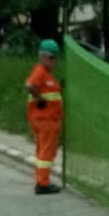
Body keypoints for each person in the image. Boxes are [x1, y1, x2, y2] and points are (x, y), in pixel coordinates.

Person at [25, 40, 64, 195]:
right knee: (47, 153)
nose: (54, 62)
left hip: (44, 120)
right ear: (43, 57)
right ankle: (43, 183)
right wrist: (40, 99)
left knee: (43, 152)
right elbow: (29, 85)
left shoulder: (46, 74)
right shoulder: (40, 72)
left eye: (55, 58)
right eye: (52, 58)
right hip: (45, 120)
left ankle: (41, 180)